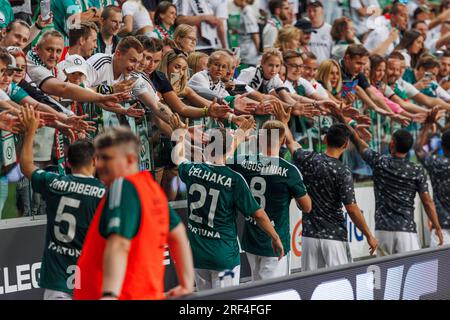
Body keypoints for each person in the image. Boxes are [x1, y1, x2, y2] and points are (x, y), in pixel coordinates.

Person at [74, 126, 194, 300]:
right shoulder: (151, 189)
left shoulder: (123, 185)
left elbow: (119, 244)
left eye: (106, 158)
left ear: (130, 160)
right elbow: (178, 235)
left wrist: (109, 295)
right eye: (97, 158)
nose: (98, 164)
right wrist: (186, 284)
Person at [172, 117, 284, 290]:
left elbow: (179, 158)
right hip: (223, 254)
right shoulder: (234, 179)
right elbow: (258, 214)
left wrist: (179, 134)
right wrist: (275, 236)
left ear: (207, 145)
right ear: (230, 147)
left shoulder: (192, 170)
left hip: (197, 254)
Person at [18, 106, 106, 300]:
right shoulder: (104, 193)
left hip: (57, 283)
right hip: (91, 282)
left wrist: (30, 131)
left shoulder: (54, 183)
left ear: (67, 162)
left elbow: (26, 166)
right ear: (95, 161)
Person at [284, 104, 378, 271]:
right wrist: (369, 235)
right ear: (346, 145)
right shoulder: (343, 171)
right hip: (334, 237)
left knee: (309, 289)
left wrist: (283, 121)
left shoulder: (308, 158)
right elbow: (352, 208)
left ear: (325, 139)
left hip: (308, 236)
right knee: (341, 286)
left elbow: (291, 142)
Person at [229, 106, 312, 281]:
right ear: (282, 142)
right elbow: (307, 207)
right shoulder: (289, 171)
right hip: (276, 242)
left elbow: (223, 160)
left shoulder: (244, 162)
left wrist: (239, 136)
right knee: (274, 292)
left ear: (259, 140)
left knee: (256, 288)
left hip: (251, 238)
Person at [350, 118, 444, 256]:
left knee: (384, 275)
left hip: (383, 231)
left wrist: (342, 117)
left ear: (392, 143)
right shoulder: (416, 170)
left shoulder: (380, 162)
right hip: (406, 232)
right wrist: (437, 227)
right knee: (409, 275)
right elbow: (427, 202)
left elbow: (358, 143)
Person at [415, 108, 450, 246]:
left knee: (441, 268)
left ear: (442, 145)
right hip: (440, 227)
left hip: (440, 227)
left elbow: (418, 150)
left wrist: (427, 125)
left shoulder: (436, 163)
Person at [232, 0, 260, 67]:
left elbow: (254, 33)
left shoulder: (248, 12)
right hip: (243, 48)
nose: (234, 1)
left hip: (249, 53)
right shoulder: (243, 10)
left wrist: (258, 51)